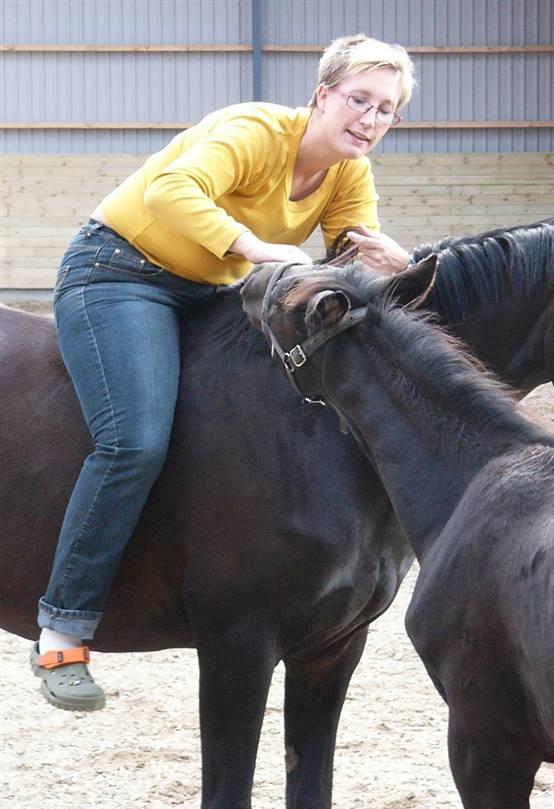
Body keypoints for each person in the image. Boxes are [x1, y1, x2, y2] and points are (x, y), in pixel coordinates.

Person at [31, 34, 415, 711]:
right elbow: (169, 190)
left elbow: (345, 271)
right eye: (360, 100)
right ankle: (64, 627)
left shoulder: (350, 174)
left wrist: (397, 266)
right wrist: (255, 247)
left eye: (387, 110)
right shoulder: (254, 129)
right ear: (323, 95)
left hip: (212, 289)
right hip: (120, 272)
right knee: (135, 440)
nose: (371, 119)